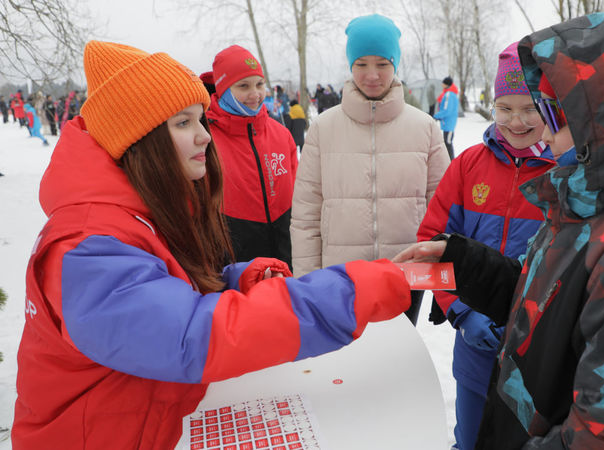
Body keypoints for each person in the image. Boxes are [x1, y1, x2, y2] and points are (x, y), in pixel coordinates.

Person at [12, 40, 411, 449]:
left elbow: (161, 291)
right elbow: (191, 335)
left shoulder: (132, 212)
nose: (205, 136)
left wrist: (233, 281)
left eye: (201, 120)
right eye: (183, 123)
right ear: (138, 140)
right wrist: (353, 290)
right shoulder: (87, 246)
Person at [394, 12, 604, 448]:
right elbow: (550, 304)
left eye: (555, 115)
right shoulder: (588, 205)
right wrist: (467, 266)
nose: (543, 132)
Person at [417, 42, 555, 450]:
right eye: (504, 108)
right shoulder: (467, 165)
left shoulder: (567, 171)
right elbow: (429, 247)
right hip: (476, 348)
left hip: (540, 354)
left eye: (529, 108)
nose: (516, 121)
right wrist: (460, 312)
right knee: (471, 440)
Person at [291, 13, 450, 325]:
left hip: (404, 278)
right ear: (351, 66)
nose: (372, 74)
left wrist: (445, 284)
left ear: (395, 65)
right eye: (362, 63)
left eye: (383, 63)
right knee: (344, 368)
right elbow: (307, 213)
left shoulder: (425, 128)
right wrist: (307, 284)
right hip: (339, 280)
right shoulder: (324, 128)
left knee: (396, 364)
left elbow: (444, 209)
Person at [203, 45, 298, 266]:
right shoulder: (205, 139)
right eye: (243, 86)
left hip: (286, 255)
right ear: (223, 89)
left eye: (259, 84)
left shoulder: (281, 135)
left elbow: (299, 192)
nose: (255, 94)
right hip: (234, 262)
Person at [435, 76, 459, 160]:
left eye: (443, 83)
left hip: (449, 123)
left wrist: (436, 116)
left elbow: (446, 110)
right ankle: (449, 160)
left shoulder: (449, 94)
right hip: (448, 123)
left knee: (448, 142)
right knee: (446, 142)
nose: (442, 84)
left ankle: (451, 161)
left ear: (446, 84)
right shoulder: (450, 93)